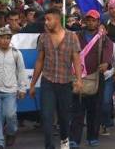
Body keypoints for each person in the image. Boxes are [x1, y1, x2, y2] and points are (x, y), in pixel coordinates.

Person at [29, 8, 83, 149]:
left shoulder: (72, 37)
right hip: (48, 82)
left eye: (48, 19)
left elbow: (76, 60)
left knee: (64, 118)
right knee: (46, 117)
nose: (46, 22)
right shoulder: (43, 38)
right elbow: (39, 61)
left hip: (65, 83)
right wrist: (33, 84)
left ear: (57, 19)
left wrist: (78, 80)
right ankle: (49, 146)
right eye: (45, 19)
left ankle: (64, 139)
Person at [70, 10, 113, 148]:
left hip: (96, 77)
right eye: (88, 20)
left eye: (93, 20)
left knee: (94, 109)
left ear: (98, 22)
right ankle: (74, 138)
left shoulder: (104, 38)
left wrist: (106, 62)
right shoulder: (77, 35)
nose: (90, 22)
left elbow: (108, 50)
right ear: (84, 21)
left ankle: (92, 136)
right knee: (77, 109)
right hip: (78, 76)